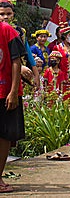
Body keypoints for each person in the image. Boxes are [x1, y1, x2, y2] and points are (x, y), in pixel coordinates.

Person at [0, 19, 26, 194]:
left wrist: (13, 91)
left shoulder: (7, 31)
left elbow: (16, 62)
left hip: (4, 92)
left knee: (4, 136)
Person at [0, 0, 40, 89]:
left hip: (18, 75)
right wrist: (20, 68)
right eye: (2, 14)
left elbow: (28, 54)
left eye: (9, 14)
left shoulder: (20, 32)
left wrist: (36, 75)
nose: (6, 17)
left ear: (13, 14)